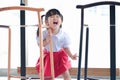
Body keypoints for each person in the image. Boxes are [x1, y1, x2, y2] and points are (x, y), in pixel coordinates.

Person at [35, 8, 77, 80]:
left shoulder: (63, 34)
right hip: (48, 55)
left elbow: (66, 47)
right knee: (47, 76)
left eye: (57, 16)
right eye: (52, 17)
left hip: (60, 55)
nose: (55, 18)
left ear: (61, 21)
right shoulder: (44, 33)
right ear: (47, 22)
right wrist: (47, 40)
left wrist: (71, 55)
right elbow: (40, 44)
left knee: (66, 74)